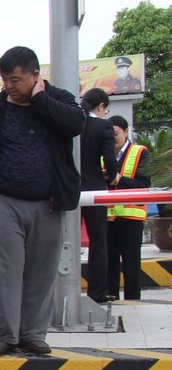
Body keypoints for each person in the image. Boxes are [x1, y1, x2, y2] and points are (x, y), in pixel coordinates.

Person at [0, 46, 85, 356]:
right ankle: (5, 336)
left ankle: (33, 334)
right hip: (4, 203)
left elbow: (75, 124)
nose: (9, 86)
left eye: (16, 80)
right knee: (6, 270)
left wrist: (41, 100)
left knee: (42, 271)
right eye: (5, 80)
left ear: (35, 76)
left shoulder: (58, 100)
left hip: (48, 202)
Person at [79, 88, 121, 304]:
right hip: (94, 189)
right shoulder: (102, 125)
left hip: (69, 189)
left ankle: (56, 291)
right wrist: (112, 176)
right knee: (98, 243)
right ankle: (96, 294)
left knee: (60, 241)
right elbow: (110, 159)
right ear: (101, 106)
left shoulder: (72, 123)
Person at [106, 114, 152, 301]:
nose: (112, 138)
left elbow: (144, 184)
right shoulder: (104, 154)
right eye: (108, 134)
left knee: (131, 264)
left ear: (125, 132)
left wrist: (119, 180)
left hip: (131, 218)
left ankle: (133, 301)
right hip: (108, 218)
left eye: (115, 133)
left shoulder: (140, 152)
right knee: (110, 263)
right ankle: (111, 299)